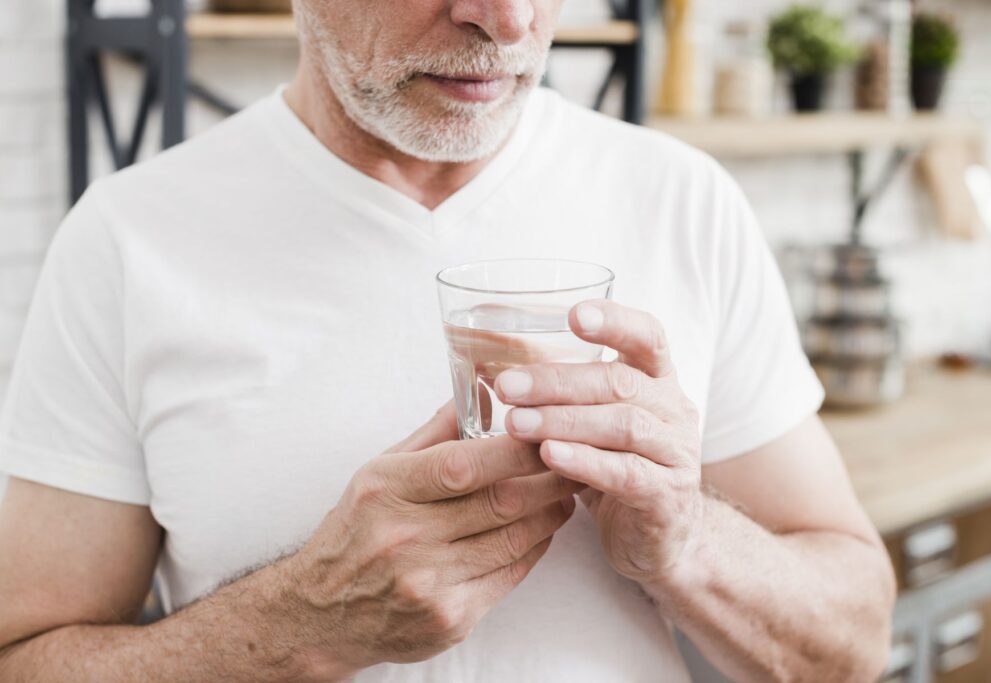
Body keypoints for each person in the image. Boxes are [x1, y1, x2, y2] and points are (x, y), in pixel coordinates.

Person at [0, 0, 895, 680]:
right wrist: (302, 620)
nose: (507, 20)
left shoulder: (680, 199)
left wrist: (689, 543)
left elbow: (853, 645)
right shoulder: (128, 242)